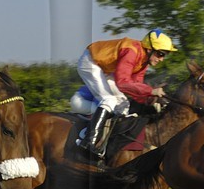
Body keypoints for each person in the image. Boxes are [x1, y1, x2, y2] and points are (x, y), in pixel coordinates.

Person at [73, 29, 176, 159]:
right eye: (160, 54)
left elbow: (135, 86)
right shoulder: (131, 51)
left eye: (164, 55)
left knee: (123, 105)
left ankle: (108, 143)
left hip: (104, 69)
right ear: (149, 49)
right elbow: (122, 83)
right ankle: (88, 141)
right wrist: (151, 91)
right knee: (109, 100)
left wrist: (150, 98)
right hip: (90, 62)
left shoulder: (143, 61)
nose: (161, 59)